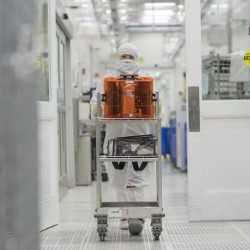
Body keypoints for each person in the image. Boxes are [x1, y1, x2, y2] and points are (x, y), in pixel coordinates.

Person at [90, 43, 156, 235]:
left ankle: (137, 214)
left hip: (140, 136)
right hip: (115, 137)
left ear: (136, 59)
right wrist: (97, 108)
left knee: (138, 176)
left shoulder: (146, 80)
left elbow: (158, 105)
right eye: (123, 56)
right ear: (118, 58)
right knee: (119, 177)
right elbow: (95, 105)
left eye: (130, 56)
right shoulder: (106, 81)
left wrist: (157, 107)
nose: (127, 60)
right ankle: (124, 215)